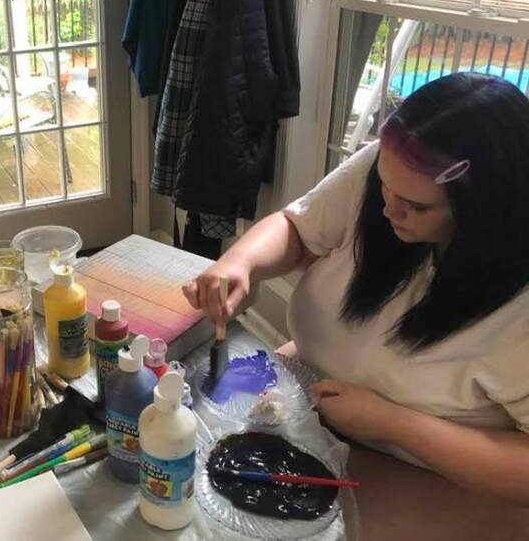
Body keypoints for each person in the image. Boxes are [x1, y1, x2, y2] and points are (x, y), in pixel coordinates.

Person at [184, 73, 529, 503]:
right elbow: (297, 227)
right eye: (383, 186)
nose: (387, 208)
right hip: (303, 402)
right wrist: (240, 262)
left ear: (485, 207)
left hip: (421, 475)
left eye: (417, 206)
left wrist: (394, 424)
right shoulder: (393, 168)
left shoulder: (518, 305)